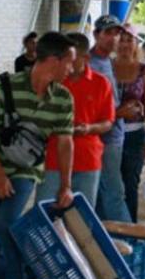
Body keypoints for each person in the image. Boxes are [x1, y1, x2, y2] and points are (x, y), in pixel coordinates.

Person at [0, 32, 76, 279]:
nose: (72, 69)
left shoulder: (63, 98)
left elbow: (65, 142)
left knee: (8, 223)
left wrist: (66, 185)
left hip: (26, 171)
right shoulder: (6, 86)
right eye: (69, 63)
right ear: (54, 61)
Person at [37, 32, 114, 208]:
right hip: (53, 159)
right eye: (64, 57)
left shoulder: (101, 83)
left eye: (72, 58)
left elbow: (108, 122)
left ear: (86, 57)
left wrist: (89, 128)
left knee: (81, 220)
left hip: (87, 159)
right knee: (45, 212)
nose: (68, 64)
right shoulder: (53, 82)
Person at [89, 14, 131, 222]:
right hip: (99, 138)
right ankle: (128, 243)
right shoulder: (89, 65)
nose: (113, 38)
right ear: (96, 34)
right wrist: (120, 113)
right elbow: (89, 108)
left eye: (117, 33)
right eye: (108, 33)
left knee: (105, 193)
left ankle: (109, 242)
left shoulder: (112, 63)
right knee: (113, 193)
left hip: (115, 135)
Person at [114, 24, 145, 222]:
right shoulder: (107, 66)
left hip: (135, 135)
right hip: (109, 133)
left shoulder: (143, 70)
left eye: (128, 39)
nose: (124, 44)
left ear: (136, 43)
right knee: (110, 184)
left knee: (130, 184)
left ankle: (130, 228)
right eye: (120, 39)